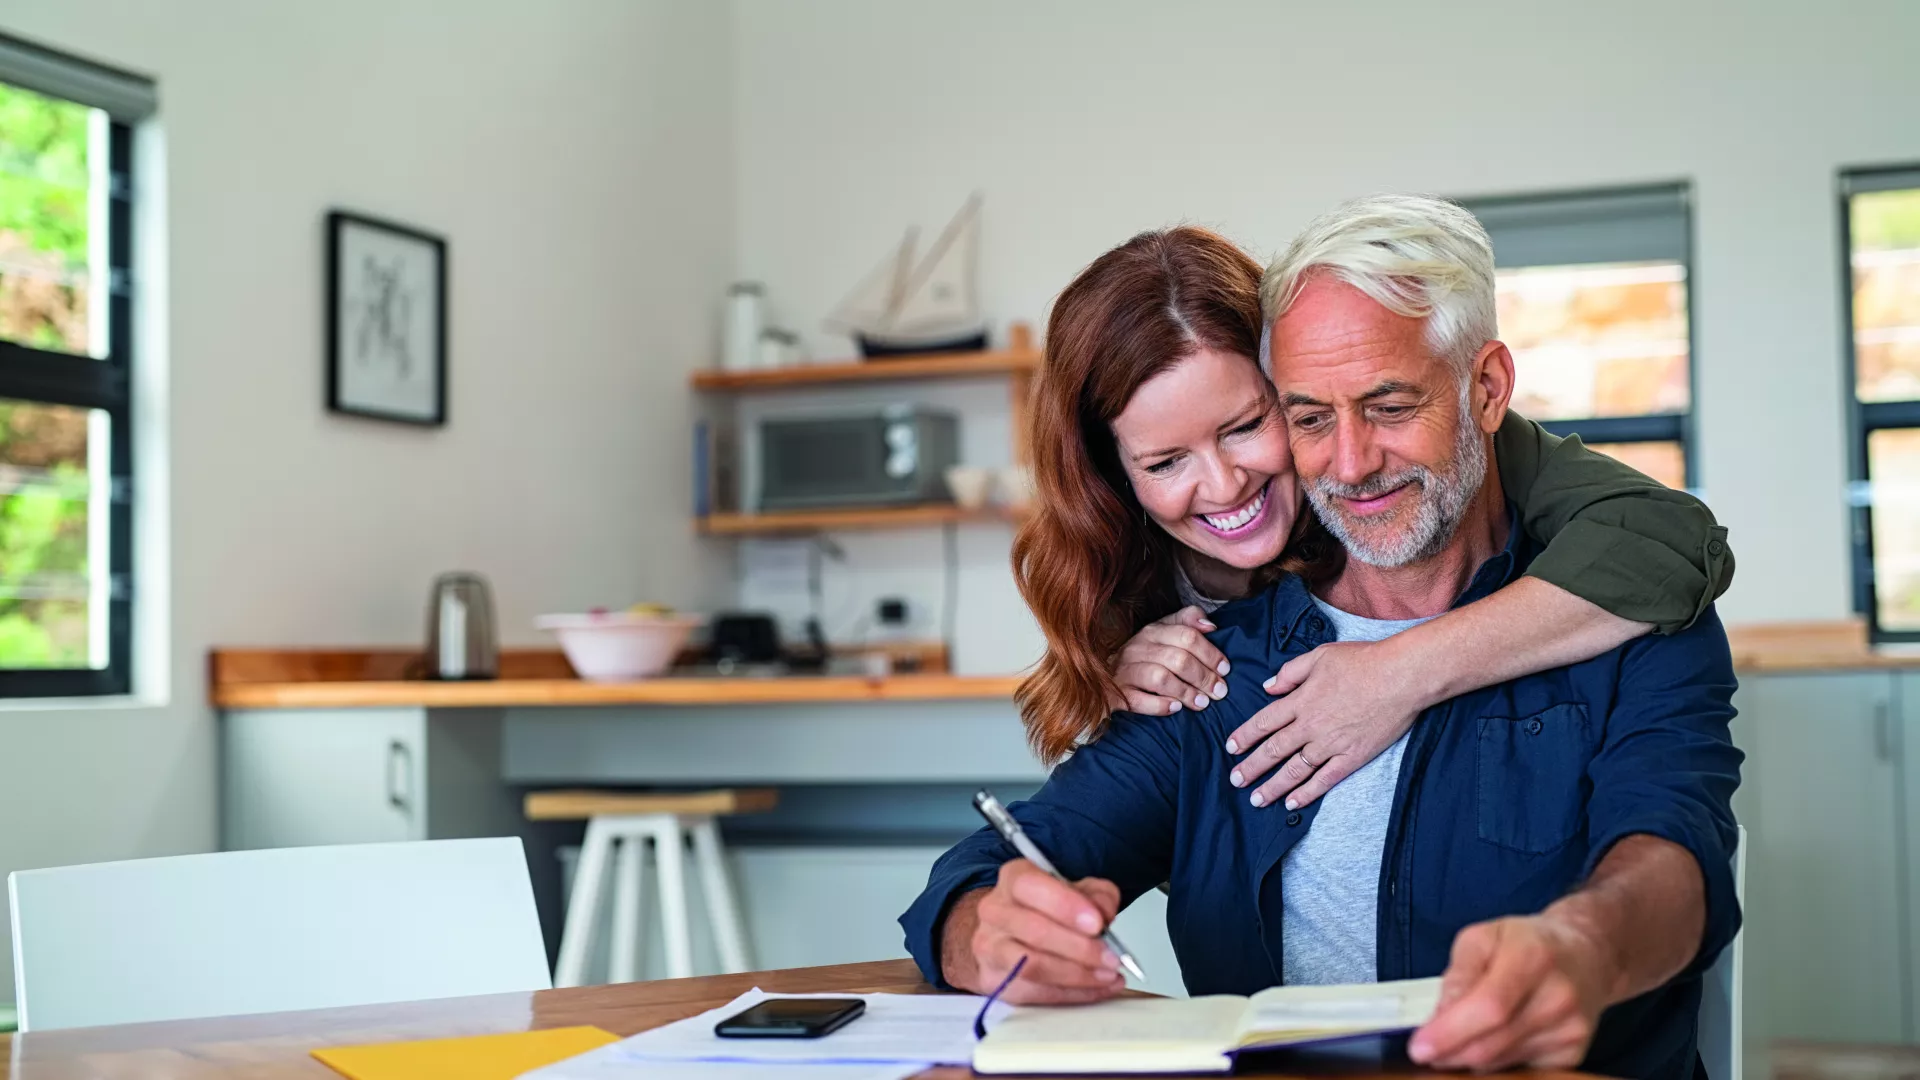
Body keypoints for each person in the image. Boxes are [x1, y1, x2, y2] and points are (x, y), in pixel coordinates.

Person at [902, 195, 1741, 1080]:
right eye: (1308, 417)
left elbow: (1675, 849)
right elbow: (993, 866)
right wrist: (981, 929)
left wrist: (1586, 944)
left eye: (1387, 406)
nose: (1348, 463)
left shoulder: (1619, 610)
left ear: (1487, 390)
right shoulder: (1207, 659)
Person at [1015, 225, 1732, 811]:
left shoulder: (1436, 462)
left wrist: (1397, 673)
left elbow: (1674, 540)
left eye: (1243, 426)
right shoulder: (1110, 553)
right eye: (1165, 462)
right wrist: (1113, 665)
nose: (1224, 484)